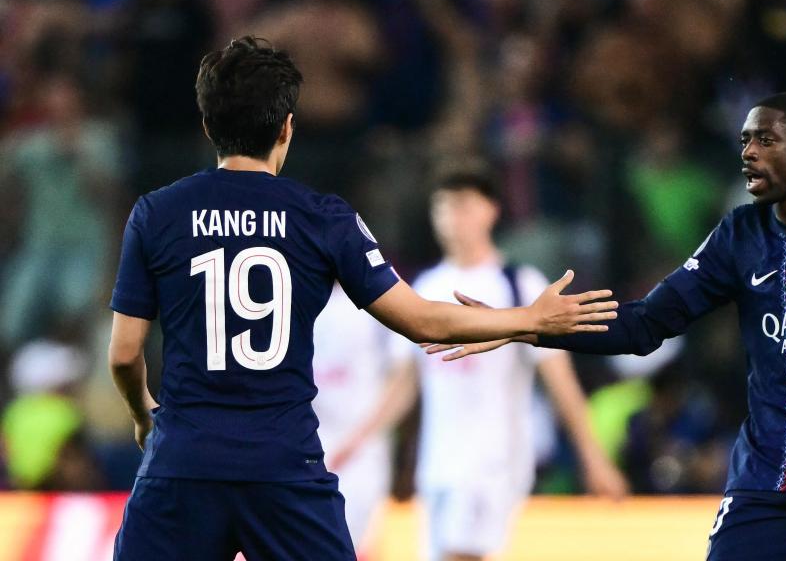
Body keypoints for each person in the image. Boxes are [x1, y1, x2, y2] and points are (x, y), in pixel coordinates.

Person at [106, 36, 617, 561]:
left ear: (208, 125)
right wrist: (528, 319)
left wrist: (145, 415)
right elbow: (422, 322)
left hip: (183, 463)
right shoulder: (324, 216)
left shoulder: (155, 213)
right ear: (286, 128)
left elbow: (124, 354)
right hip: (285, 469)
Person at [432, 92, 786, 561]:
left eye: (764, 140)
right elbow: (645, 324)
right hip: (766, 481)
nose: (748, 153)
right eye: (744, 141)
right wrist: (527, 324)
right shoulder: (739, 237)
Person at [333, 165, 628, 561]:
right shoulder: (424, 289)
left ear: (490, 211)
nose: (453, 219)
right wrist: (355, 440)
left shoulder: (518, 284)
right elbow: (405, 384)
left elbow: (560, 382)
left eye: (463, 207)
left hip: (492, 463)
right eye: (445, 208)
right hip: (437, 466)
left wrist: (594, 458)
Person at [311, 285, 394, 557]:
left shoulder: (379, 296)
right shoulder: (295, 291)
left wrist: (361, 437)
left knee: (352, 545)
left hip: (361, 453)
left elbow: (401, 374)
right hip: (307, 448)